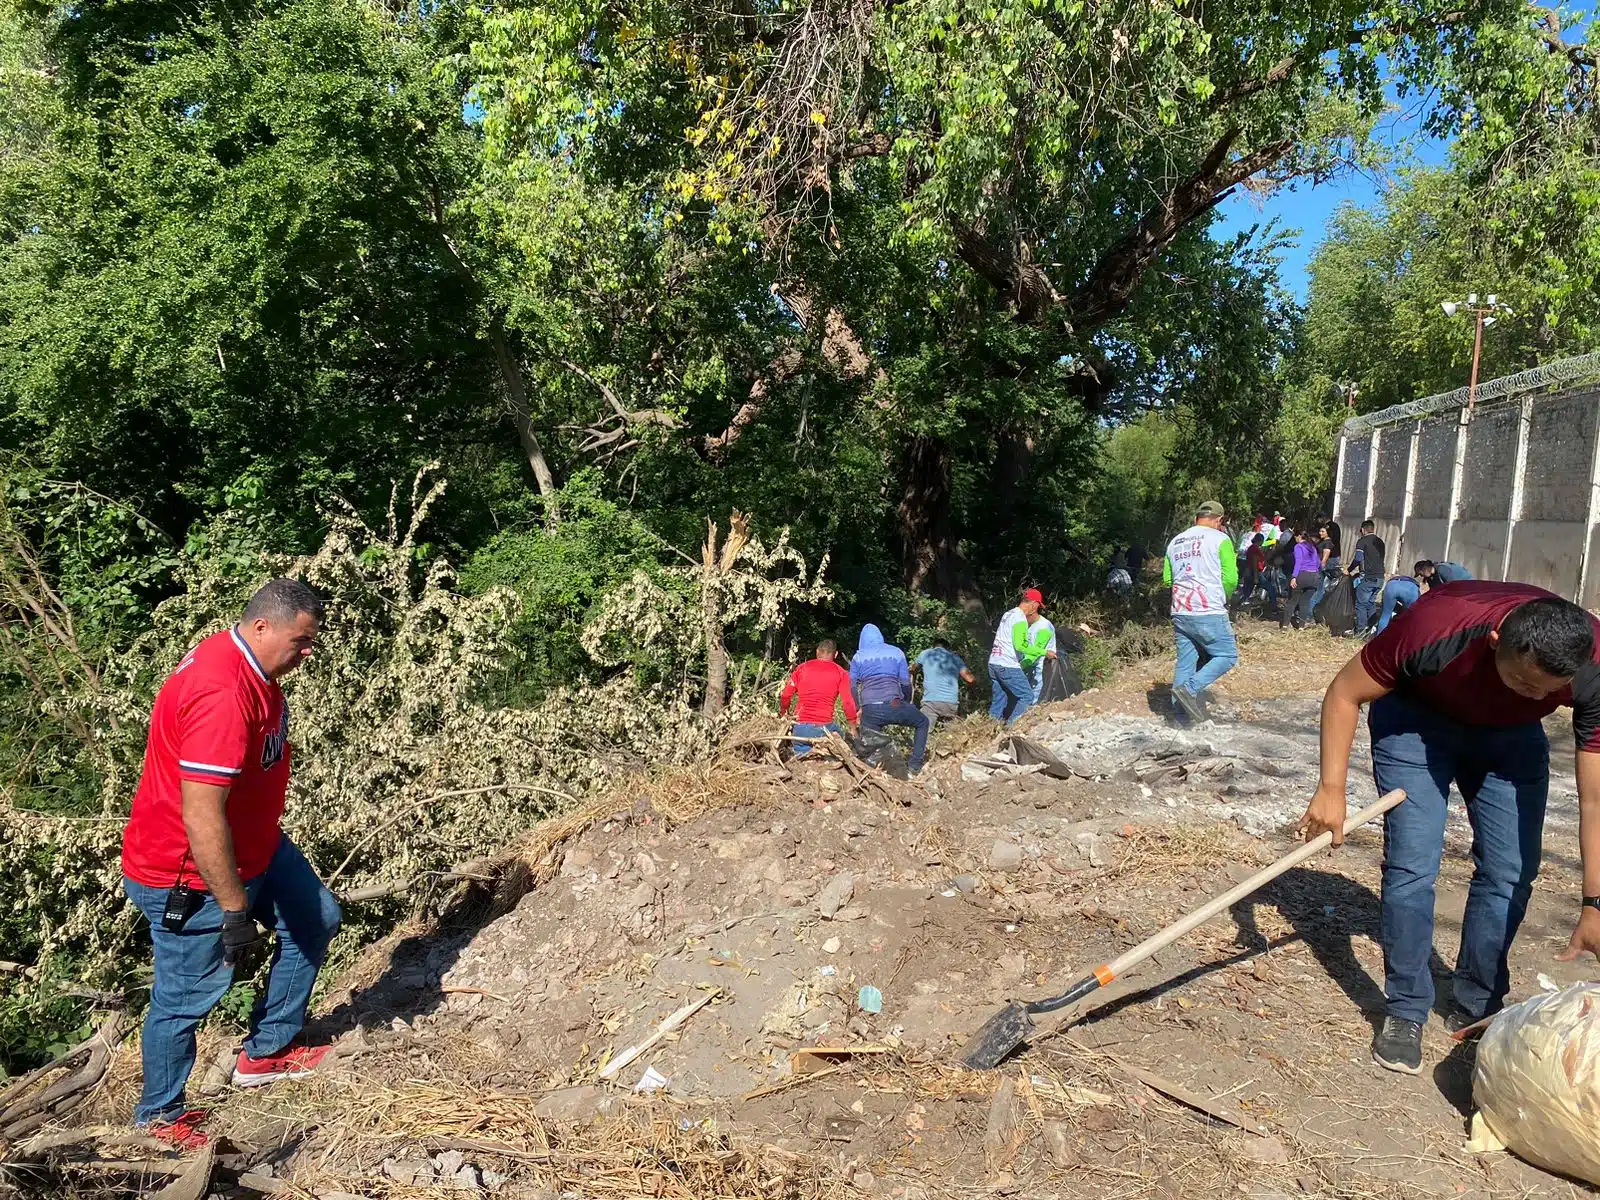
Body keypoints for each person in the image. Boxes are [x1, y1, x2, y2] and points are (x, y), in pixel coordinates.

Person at [1297, 583, 1600, 1075]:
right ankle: (1406, 1009)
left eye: (1549, 692)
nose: (1540, 697)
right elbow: (1344, 692)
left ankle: (1478, 1006)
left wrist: (1594, 903)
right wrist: (1331, 788)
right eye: (1527, 684)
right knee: (1414, 865)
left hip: (1510, 740)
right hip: (1417, 722)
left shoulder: (1592, 664)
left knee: (1511, 870)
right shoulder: (1438, 626)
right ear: (1497, 640)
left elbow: (1595, 796)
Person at [120, 580, 339, 1149]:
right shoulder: (222, 692)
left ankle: (266, 1053)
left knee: (314, 918)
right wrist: (234, 910)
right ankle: (159, 1120)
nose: (307, 653)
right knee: (186, 997)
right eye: (301, 641)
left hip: (257, 847)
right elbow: (200, 815)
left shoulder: (254, 667)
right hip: (190, 876)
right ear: (262, 626)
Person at [1163, 500, 1239, 721]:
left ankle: (1179, 718)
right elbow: (1231, 577)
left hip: (1180, 610)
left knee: (1186, 662)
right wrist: (1223, 596)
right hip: (1208, 609)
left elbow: (1168, 580)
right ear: (1218, 519)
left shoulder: (1175, 542)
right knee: (1226, 655)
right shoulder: (1220, 539)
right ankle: (1190, 689)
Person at [850, 624, 929, 774]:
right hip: (894, 703)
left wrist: (858, 708)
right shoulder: (896, 652)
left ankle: (874, 771)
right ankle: (914, 765)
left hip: (870, 708)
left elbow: (852, 686)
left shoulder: (858, 657)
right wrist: (905, 701)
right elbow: (905, 683)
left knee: (871, 743)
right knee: (922, 722)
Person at [989, 588, 1055, 725]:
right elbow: (1020, 646)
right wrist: (1044, 652)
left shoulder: (1008, 614)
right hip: (1007, 664)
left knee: (999, 699)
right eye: (1038, 606)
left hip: (993, 662)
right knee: (1026, 696)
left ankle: (989, 729)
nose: (1037, 609)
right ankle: (1011, 728)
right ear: (1034, 603)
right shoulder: (1020, 618)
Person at [780, 640, 858, 755]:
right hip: (824, 730)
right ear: (835, 654)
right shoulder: (841, 673)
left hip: (800, 728)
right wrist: (853, 728)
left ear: (817, 652)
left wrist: (784, 713)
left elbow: (785, 695)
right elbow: (847, 702)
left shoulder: (802, 668)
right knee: (841, 739)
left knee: (801, 759)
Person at [913, 636, 975, 732]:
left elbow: (913, 669)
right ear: (948, 648)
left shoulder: (926, 654)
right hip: (951, 703)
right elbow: (970, 679)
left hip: (930, 702)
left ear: (934, 647)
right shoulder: (955, 658)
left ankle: (923, 745)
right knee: (950, 737)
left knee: (923, 733)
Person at [1348, 519, 1387, 633]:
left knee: (1360, 604)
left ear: (1363, 530)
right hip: (1380, 577)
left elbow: (1358, 558)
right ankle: (1372, 627)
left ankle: (1360, 630)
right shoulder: (1380, 542)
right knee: (1371, 603)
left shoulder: (1362, 541)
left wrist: (1349, 570)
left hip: (1369, 577)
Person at [1281, 529, 1322, 630]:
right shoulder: (1312, 547)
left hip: (1302, 575)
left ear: (1299, 536)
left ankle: (1285, 626)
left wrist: (1294, 577)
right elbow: (1319, 564)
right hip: (1314, 576)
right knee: (1305, 602)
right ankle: (1301, 627)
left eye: (1295, 537)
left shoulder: (1298, 546)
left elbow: (1298, 562)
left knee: (1292, 601)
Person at [1375, 567, 1425, 634]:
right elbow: (1418, 606)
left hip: (1392, 585)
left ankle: (1379, 640)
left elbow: (1384, 602)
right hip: (1410, 590)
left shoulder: (1393, 580)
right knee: (1411, 617)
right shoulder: (1415, 586)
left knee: (1385, 615)